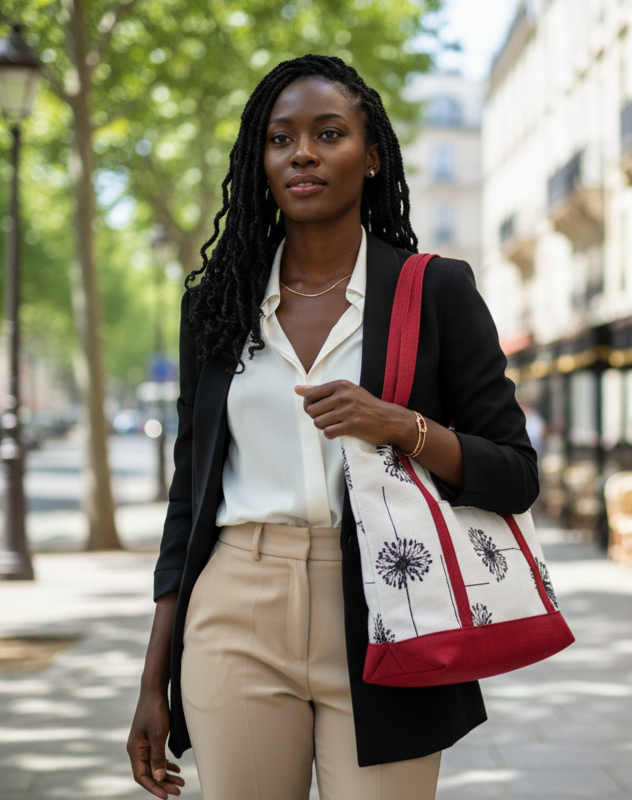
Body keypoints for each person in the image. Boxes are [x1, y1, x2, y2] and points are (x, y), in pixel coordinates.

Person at [126, 55, 538, 800]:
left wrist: (401, 426)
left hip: (389, 602)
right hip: (236, 603)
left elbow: (515, 472)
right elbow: (188, 502)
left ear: (372, 155)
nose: (303, 153)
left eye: (329, 133)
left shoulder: (435, 292)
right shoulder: (215, 308)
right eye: (281, 139)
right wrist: (154, 678)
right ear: (262, 161)